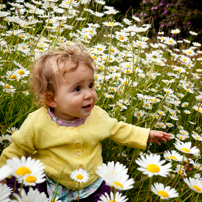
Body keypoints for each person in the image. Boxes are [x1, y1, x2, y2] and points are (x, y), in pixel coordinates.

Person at [0, 44, 170, 201]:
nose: (89, 94)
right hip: (49, 180)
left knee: (112, 194)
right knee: (17, 186)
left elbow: (118, 129)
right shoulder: (37, 122)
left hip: (92, 183)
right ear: (52, 99)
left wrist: (146, 134)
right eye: (77, 89)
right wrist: (3, 173)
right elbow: (18, 149)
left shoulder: (97, 116)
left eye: (91, 85)